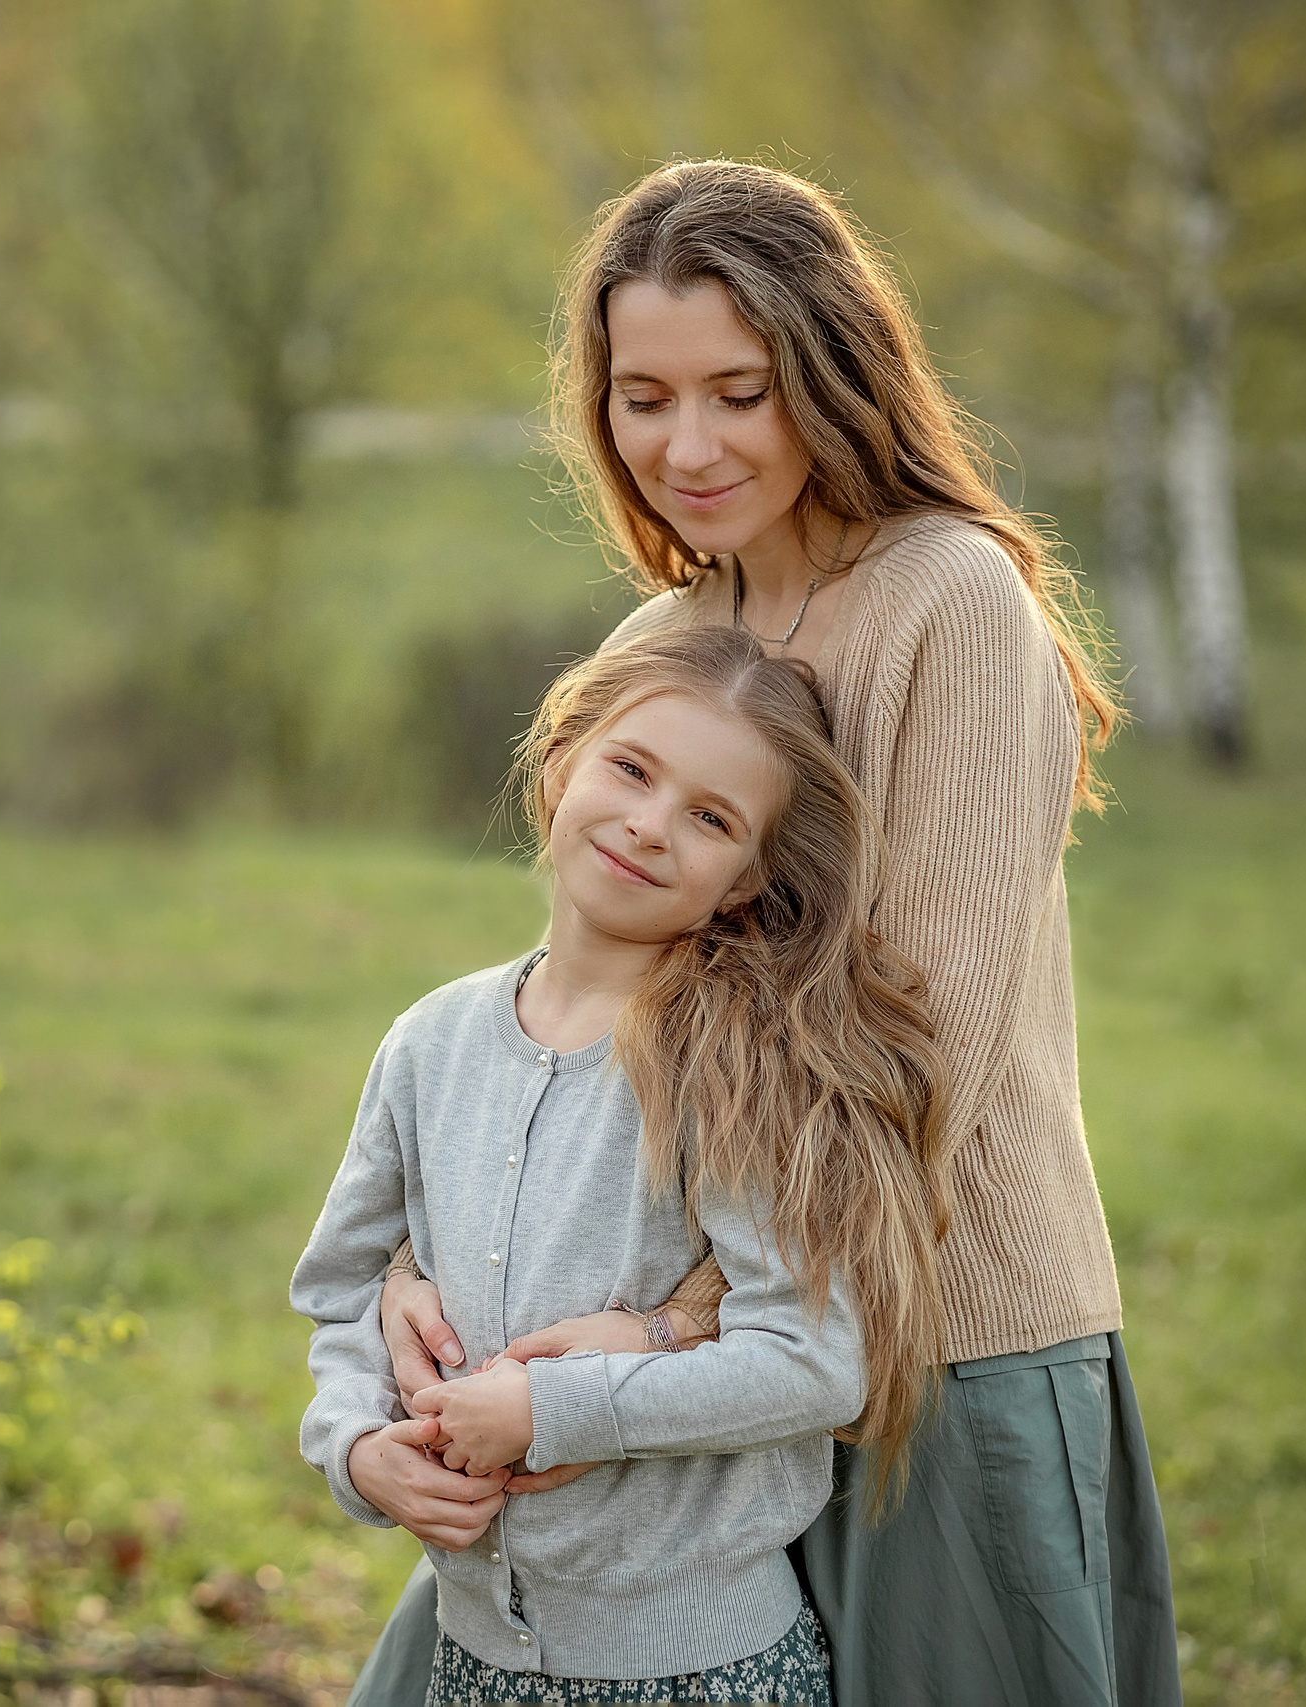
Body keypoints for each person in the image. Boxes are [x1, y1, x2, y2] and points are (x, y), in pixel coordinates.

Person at [353, 160, 1183, 1706]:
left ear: (833, 373)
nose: (689, 445)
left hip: (932, 1348)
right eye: (644, 396)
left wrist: (675, 1330)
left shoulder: (955, 606)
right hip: (658, 1386)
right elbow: (586, 1009)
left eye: (741, 390)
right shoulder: (663, 645)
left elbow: (925, 1042)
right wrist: (422, 1255)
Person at [294, 625, 948, 1705]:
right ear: (560, 764)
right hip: (475, 1662)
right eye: (631, 769)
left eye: (710, 818)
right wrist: (357, 1451)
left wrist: (560, 1411)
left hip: (701, 1670)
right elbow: (344, 1293)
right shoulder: (430, 1041)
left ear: (746, 881)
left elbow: (812, 1362)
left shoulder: (736, 1069)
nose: (648, 825)